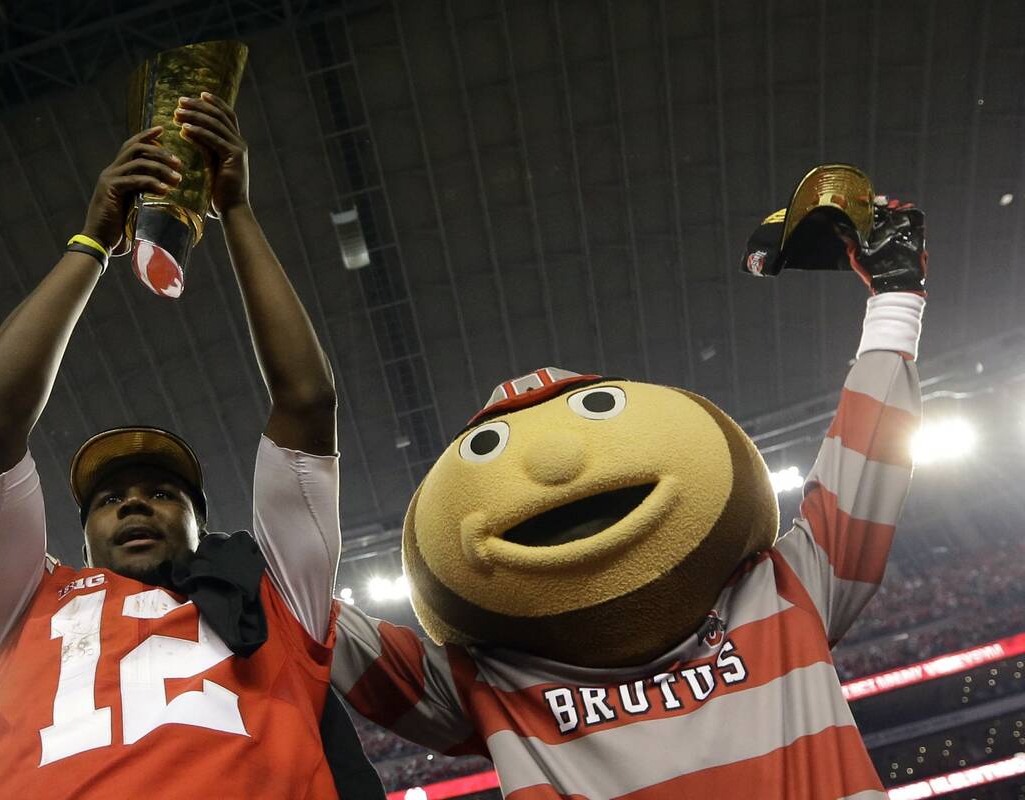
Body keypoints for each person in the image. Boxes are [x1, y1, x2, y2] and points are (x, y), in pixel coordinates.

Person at [329, 198, 928, 798]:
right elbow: (309, 619)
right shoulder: (485, 682)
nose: (556, 463)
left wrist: (897, 299)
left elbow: (864, 462)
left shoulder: (783, 589)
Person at [0, 93, 375, 798]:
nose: (135, 505)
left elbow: (307, 400)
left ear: (201, 523)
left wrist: (235, 210)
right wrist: (93, 243)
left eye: (161, 492)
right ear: (80, 533)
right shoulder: (20, 604)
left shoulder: (274, 594)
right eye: (110, 499)